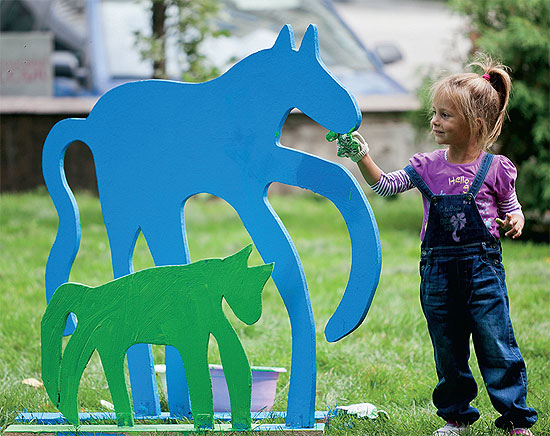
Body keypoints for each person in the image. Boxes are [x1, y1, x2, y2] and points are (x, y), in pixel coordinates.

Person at [333, 56, 538, 436]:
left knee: (496, 343)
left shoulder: (496, 168)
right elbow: (386, 186)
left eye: (445, 115)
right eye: (435, 113)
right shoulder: (426, 165)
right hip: (438, 274)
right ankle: (456, 417)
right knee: (448, 348)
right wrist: (363, 159)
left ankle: (514, 419)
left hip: (483, 271)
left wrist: (516, 220)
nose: (435, 121)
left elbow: (513, 207)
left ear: (475, 124)